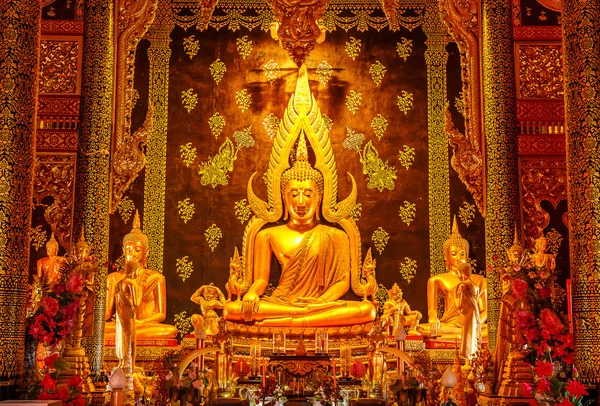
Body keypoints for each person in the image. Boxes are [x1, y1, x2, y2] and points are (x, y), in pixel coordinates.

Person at [223, 133, 376, 327]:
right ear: (284, 199)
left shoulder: (337, 236)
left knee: (367, 310)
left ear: (319, 198)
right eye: (294, 194)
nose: (301, 201)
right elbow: (261, 279)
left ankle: (287, 321)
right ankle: (300, 316)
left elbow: (342, 282)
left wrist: (320, 302)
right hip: (282, 303)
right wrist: (252, 293)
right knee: (232, 309)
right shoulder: (267, 235)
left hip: (322, 305)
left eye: (308, 194)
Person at [105, 211, 177, 340]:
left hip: (144, 326)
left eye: (137, 250)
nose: (132, 254)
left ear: (146, 252)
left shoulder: (156, 278)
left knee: (170, 331)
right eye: (129, 250)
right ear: (123, 251)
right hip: (119, 325)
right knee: (100, 330)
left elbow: (160, 314)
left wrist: (140, 323)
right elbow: (106, 313)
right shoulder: (113, 278)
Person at [417, 218, 487, 337]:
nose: (458, 257)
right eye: (454, 254)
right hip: (449, 324)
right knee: (420, 329)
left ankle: (462, 334)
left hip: (474, 324)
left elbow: (484, 311)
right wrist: (433, 319)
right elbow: (432, 310)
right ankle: (462, 334)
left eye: (462, 254)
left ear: (467, 257)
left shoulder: (479, 280)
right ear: (446, 257)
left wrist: (474, 324)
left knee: (492, 330)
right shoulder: (436, 280)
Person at [454, 263, 483, 361]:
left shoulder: (462, 286)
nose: (457, 276)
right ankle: (473, 355)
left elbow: (459, 305)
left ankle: (467, 356)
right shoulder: (476, 285)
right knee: (473, 332)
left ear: (462, 272)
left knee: (466, 333)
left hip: (466, 314)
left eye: (458, 273)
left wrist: (455, 297)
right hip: (475, 313)